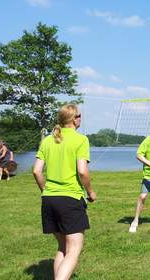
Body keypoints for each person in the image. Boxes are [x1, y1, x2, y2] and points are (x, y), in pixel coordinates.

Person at [32, 104, 97, 280]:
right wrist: (91, 192)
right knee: (74, 249)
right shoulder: (80, 139)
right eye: (80, 115)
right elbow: (83, 171)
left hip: (48, 200)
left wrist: (46, 190)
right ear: (75, 119)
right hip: (70, 200)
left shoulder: (47, 140)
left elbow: (36, 171)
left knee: (63, 247)